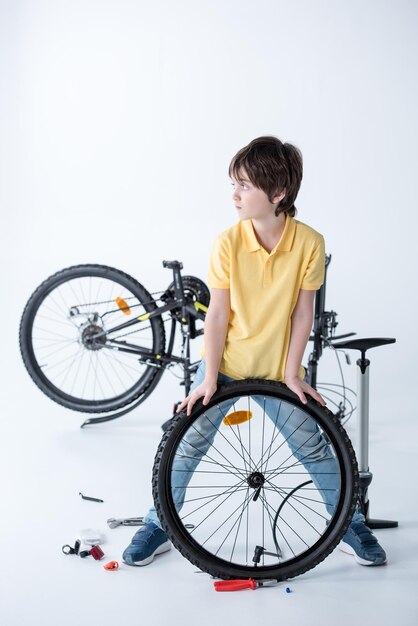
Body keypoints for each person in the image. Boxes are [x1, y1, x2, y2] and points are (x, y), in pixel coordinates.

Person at [123, 136, 387, 568]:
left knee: (315, 448)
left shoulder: (309, 243)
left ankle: (349, 523)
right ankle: (159, 523)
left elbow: (304, 315)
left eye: (244, 186)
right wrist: (208, 377)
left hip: (278, 369)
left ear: (278, 193)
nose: (235, 195)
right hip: (225, 365)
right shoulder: (227, 242)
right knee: (187, 443)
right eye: (235, 184)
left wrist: (292, 373)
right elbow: (218, 314)